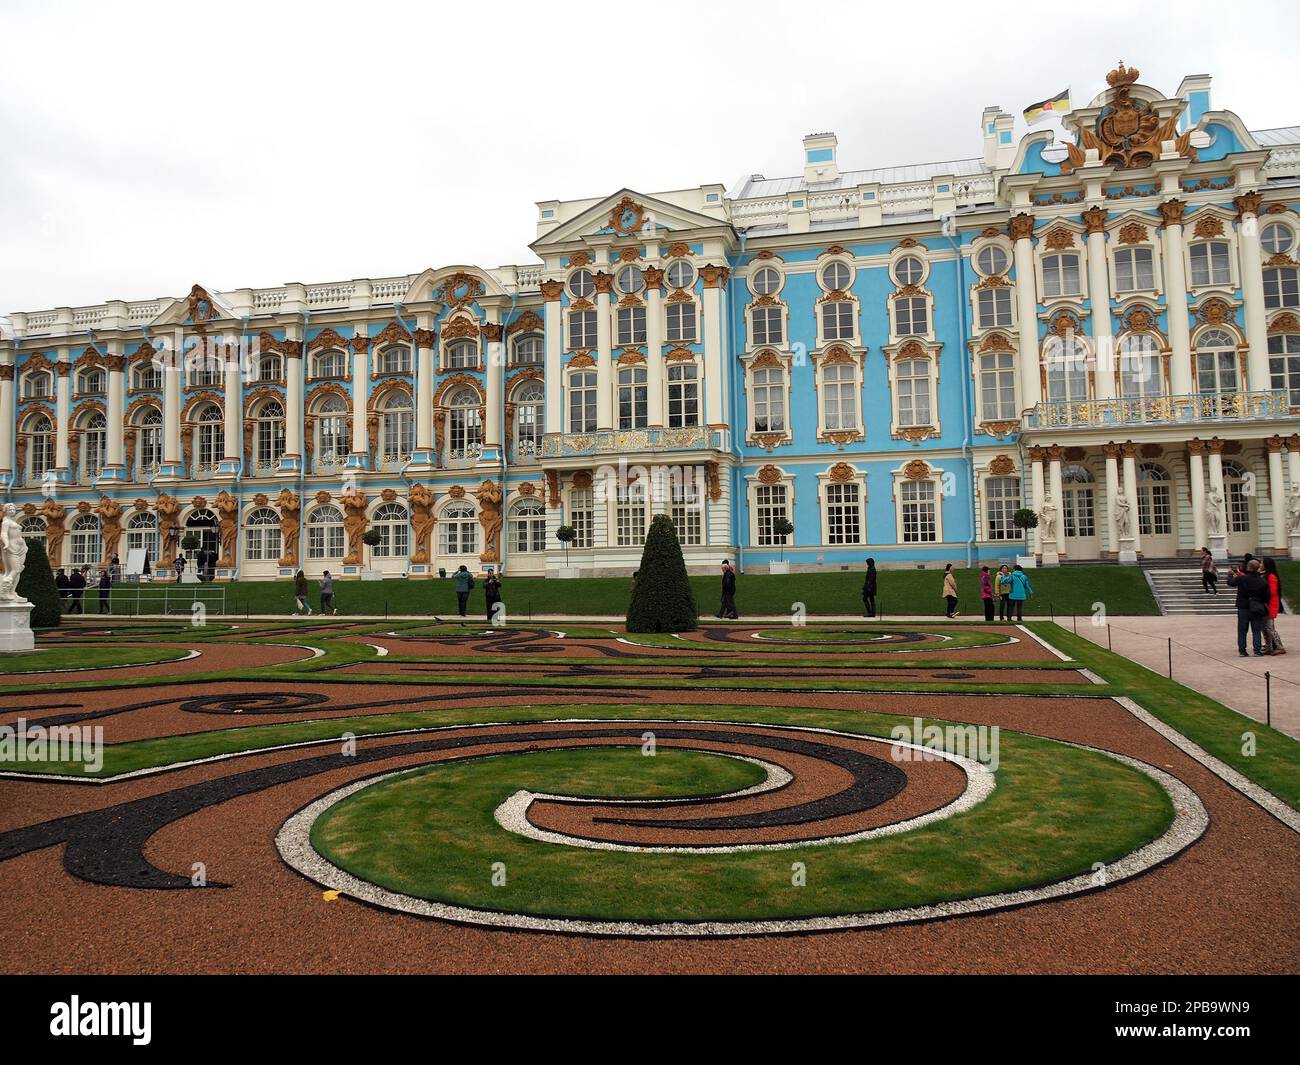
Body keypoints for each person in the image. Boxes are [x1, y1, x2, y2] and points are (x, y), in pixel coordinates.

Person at [1227, 557, 1268, 657]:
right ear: (1258, 568)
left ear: (1248, 568)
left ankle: (1242, 651)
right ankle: (1257, 651)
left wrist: (1229, 575)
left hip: (1243, 606)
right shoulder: (1262, 581)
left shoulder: (1242, 579)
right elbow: (1266, 596)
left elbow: (1231, 583)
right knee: (1256, 630)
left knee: (1242, 630)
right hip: (1257, 606)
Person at [1261, 557, 1286, 656]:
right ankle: (1269, 646)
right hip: (1267, 604)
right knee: (1264, 627)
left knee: (1270, 627)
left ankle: (1280, 646)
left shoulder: (1271, 576)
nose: (1260, 565)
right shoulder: (1267, 575)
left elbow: (1272, 591)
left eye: (1262, 563)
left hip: (1270, 604)